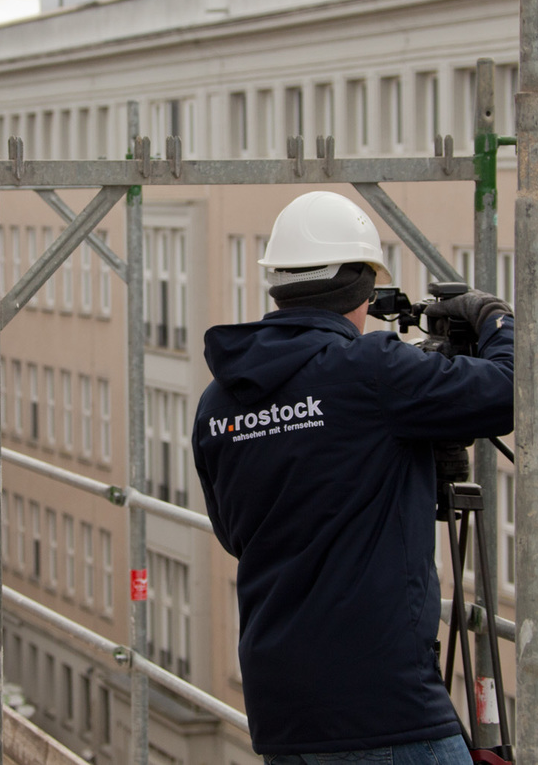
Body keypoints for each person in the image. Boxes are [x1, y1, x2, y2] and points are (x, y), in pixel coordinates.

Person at [192, 190, 515, 764]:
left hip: (281, 710)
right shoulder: (372, 371)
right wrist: (493, 319)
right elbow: (514, 392)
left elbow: (236, 535)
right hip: (384, 706)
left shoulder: (220, 402)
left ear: (279, 283)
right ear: (361, 287)